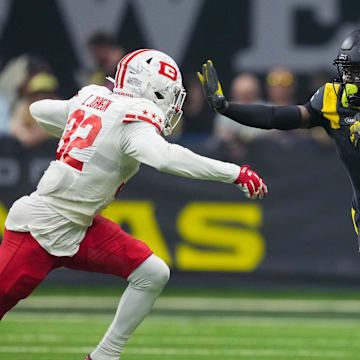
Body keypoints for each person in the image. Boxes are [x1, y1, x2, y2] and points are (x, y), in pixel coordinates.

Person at [0, 49, 267, 360]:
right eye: (167, 93)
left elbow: (40, 110)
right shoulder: (132, 118)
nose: (171, 103)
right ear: (148, 86)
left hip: (81, 225)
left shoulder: (98, 101)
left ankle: (105, 355)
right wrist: (234, 172)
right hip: (42, 226)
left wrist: (83, 121)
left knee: (152, 272)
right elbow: (166, 158)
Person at [198, 29, 360, 249]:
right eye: (347, 71)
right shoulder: (333, 99)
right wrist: (226, 108)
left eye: (356, 72)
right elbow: (276, 116)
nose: (348, 79)